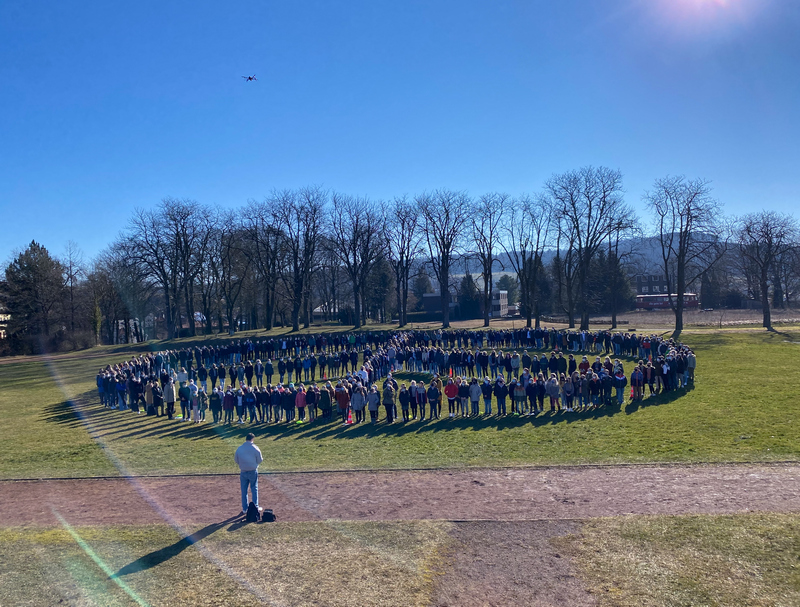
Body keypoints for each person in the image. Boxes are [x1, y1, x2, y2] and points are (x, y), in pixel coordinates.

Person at [234, 433, 263, 516]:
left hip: (243, 471)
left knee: (244, 490)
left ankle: (245, 509)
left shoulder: (240, 448)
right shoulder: (255, 448)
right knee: (254, 489)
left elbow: (236, 459)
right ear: (252, 439)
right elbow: (260, 460)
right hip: (253, 471)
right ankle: (255, 507)